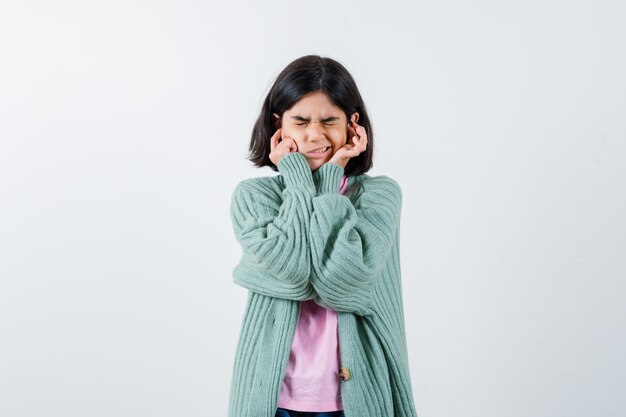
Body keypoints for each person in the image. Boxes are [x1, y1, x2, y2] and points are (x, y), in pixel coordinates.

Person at [228, 55, 418, 417]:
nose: (315, 134)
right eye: (300, 121)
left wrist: (331, 179)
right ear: (278, 125)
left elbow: (340, 280)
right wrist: (299, 180)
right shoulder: (254, 197)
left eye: (330, 120)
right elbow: (294, 268)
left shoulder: (380, 195)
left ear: (352, 125)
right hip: (271, 396)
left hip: (358, 397)